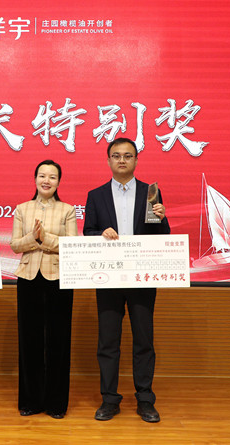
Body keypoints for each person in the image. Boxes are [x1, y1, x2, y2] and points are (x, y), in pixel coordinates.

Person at [83, 137, 170, 423]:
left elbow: (161, 236)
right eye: (116, 155)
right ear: (108, 160)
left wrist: (162, 218)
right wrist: (100, 234)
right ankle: (109, 399)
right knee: (108, 342)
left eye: (128, 156)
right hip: (108, 276)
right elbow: (88, 232)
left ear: (136, 160)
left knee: (144, 340)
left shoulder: (150, 192)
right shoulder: (96, 195)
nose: (122, 160)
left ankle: (145, 399)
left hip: (141, 276)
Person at [10, 160, 78, 419]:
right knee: (30, 340)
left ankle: (56, 403)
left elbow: (72, 244)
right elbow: (15, 245)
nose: (46, 180)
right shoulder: (22, 209)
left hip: (59, 278)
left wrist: (44, 239)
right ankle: (31, 400)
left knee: (58, 341)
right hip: (29, 278)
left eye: (52, 176)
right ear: (35, 179)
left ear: (59, 182)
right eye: (42, 175)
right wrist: (33, 239)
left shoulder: (67, 210)